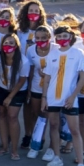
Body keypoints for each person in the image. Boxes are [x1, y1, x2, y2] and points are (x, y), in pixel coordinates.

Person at [40, 24, 84, 166]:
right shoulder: (52, 54)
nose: (61, 39)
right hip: (53, 98)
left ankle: (80, 164)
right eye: (58, 36)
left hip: (69, 99)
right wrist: (44, 98)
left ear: (71, 37)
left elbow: (82, 77)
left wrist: (73, 97)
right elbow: (46, 79)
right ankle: (57, 157)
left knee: (74, 130)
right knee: (53, 126)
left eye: (65, 36)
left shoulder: (78, 53)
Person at [0, 32, 28, 160]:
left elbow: (22, 81)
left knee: (12, 116)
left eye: (11, 43)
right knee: (1, 114)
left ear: (16, 46)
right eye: (6, 43)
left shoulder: (24, 61)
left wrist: (10, 97)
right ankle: (4, 147)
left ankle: (14, 150)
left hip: (17, 90)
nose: (8, 45)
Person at [23, 25, 54, 153]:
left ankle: (43, 140)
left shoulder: (56, 49)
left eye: (43, 38)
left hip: (51, 89)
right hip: (36, 87)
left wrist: (48, 74)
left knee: (46, 115)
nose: (40, 41)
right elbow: (30, 71)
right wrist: (29, 89)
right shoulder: (30, 50)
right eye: (38, 38)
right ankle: (35, 138)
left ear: (49, 38)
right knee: (36, 113)